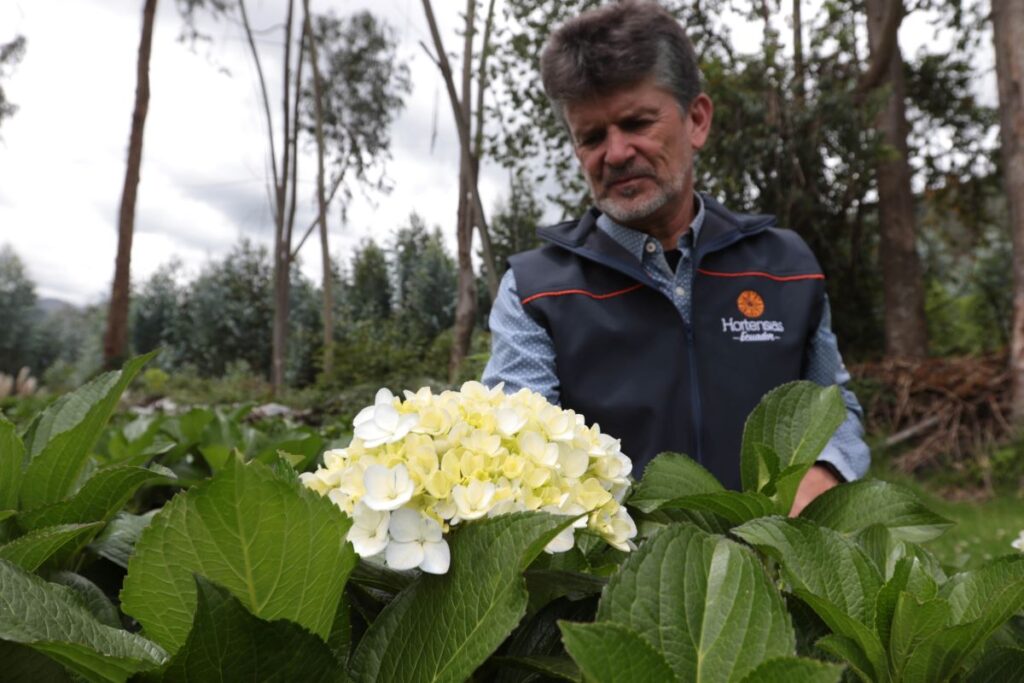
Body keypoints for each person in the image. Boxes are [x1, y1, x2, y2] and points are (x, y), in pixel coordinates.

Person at [481, 0, 869, 513]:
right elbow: (515, 447)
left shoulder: (785, 267)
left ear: (697, 120)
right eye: (592, 137)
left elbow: (831, 404)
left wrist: (824, 474)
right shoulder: (536, 291)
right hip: (615, 587)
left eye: (637, 122)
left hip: (779, 575)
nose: (615, 153)